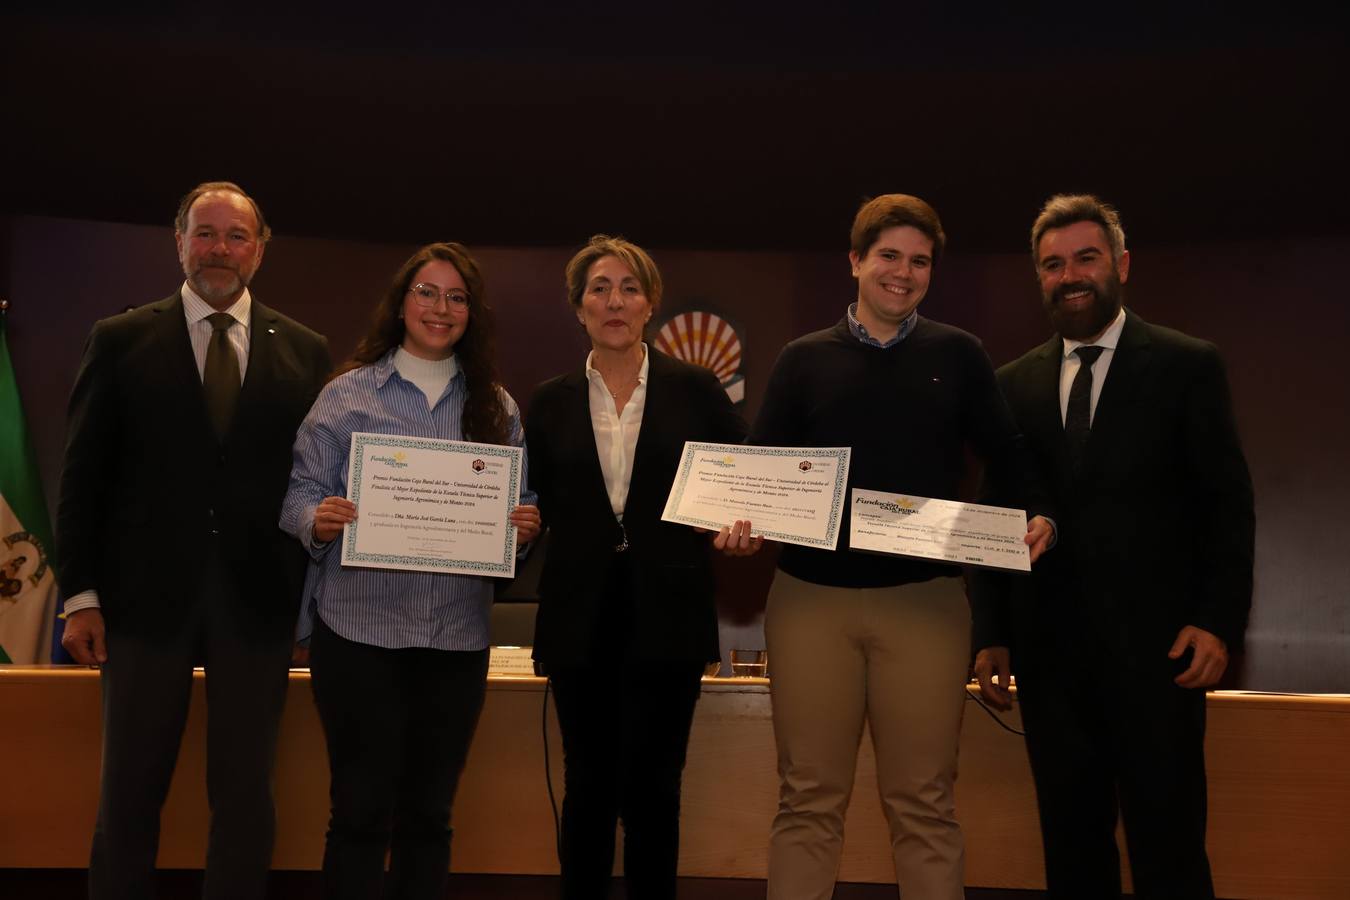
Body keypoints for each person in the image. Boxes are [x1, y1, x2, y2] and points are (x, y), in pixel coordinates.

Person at [751, 194, 1054, 900]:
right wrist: (738, 520)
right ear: (855, 262)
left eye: (920, 261)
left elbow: (1009, 455)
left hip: (927, 606)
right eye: (889, 255)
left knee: (924, 801)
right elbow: (759, 469)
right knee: (807, 800)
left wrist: (1041, 513)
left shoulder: (960, 354)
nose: (903, 272)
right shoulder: (803, 361)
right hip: (809, 605)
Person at [972, 195, 1255, 899]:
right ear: (1038, 278)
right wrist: (992, 633)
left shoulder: (1189, 365)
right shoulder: (1009, 385)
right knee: (1071, 852)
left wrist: (1218, 619)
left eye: (1086, 258)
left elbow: (1227, 504)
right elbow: (996, 516)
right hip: (1051, 665)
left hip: (1160, 659)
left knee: (1170, 850)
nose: (1071, 275)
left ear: (1121, 265)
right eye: (1053, 264)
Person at [55, 181, 332, 900]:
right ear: (177, 242)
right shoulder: (119, 339)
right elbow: (81, 479)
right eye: (203, 233)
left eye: (236, 236)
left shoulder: (305, 350)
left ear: (260, 251)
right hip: (141, 606)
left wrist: (312, 609)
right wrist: (80, 596)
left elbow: (315, 485)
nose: (219, 249)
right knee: (128, 794)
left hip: (258, 607)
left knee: (245, 797)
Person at [279, 241, 540, 900]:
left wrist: (522, 529)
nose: (440, 307)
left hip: (454, 640)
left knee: (430, 819)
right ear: (401, 304)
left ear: (470, 314)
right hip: (359, 635)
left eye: (456, 297)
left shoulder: (496, 406)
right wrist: (320, 518)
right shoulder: (347, 396)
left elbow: (520, 504)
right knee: (360, 817)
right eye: (427, 292)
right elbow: (297, 494)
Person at [525, 234, 759, 900]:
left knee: (657, 790)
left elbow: (742, 482)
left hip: (670, 614)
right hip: (579, 618)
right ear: (578, 307)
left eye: (629, 287)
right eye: (599, 288)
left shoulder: (697, 389)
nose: (615, 301)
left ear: (650, 303)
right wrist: (517, 522)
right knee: (588, 787)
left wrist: (742, 527)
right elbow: (525, 501)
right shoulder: (548, 400)